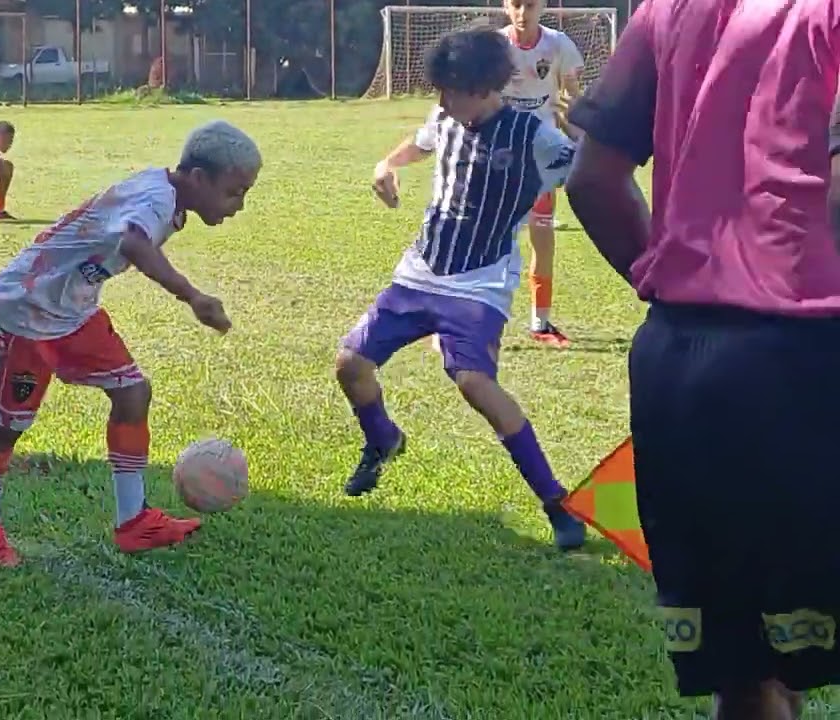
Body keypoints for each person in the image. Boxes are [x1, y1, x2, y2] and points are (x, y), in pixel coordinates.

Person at [565, 0, 840, 716]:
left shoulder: (667, 8)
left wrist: (677, 279)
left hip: (681, 366)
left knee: (746, 673)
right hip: (809, 363)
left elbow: (592, 179)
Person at [0, 119, 261, 567]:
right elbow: (133, 242)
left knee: (132, 392)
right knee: (8, 427)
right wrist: (193, 296)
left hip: (74, 311)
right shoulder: (158, 200)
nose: (239, 205)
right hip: (24, 311)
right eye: (234, 192)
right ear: (198, 178)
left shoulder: (166, 193)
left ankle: (133, 522)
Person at [338, 28, 586, 551]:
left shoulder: (532, 137)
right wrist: (386, 165)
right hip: (420, 272)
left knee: (475, 384)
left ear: (483, 87)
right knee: (350, 364)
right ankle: (383, 441)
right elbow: (420, 141)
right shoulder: (445, 118)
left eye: (451, 91)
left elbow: (587, 172)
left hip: (482, 281)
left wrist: (584, 137)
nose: (443, 102)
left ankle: (555, 503)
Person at [499, 0, 584, 347]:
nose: (523, 13)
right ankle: (467, 320)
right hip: (501, 157)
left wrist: (574, 117)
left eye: (530, 5)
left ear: (542, 6)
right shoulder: (496, 48)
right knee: (492, 242)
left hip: (544, 156)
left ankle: (541, 322)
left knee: (543, 239)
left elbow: (572, 96)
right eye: (516, 5)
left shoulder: (559, 45)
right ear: (506, 6)